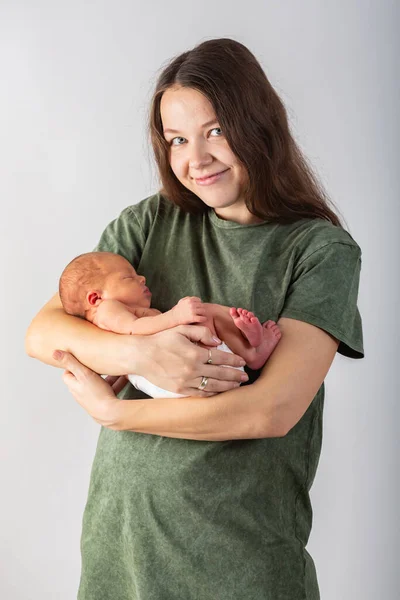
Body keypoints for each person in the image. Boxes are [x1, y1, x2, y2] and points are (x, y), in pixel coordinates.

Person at [25, 37, 364, 600]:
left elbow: (272, 410)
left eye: (214, 131)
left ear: (258, 124)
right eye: (177, 139)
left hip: (238, 559)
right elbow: (45, 332)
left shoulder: (320, 251)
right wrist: (142, 353)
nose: (195, 159)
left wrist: (117, 413)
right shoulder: (149, 223)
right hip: (122, 546)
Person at [58, 250, 282, 397]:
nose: (142, 278)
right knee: (206, 313)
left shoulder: (110, 330)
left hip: (171, 381)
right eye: (128, 277)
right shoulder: (107, 309)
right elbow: (134, 329)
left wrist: (108, 392)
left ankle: (250, 351)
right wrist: (175, 316)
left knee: (202, 324)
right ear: (94, 298)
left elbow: (124, 369)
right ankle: (251, 352)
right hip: (179, 372)